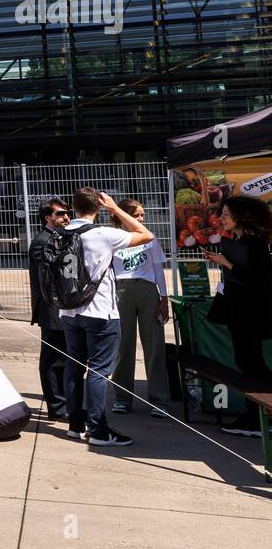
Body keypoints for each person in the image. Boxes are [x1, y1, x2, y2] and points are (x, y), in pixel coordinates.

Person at [59, 188, 154, 448]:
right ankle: (98, 428)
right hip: (100, 310)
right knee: (99, 372)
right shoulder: (103, 234)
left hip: (68, 311)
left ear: (72, 207)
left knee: (74, 368)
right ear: (99, 209)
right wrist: (116, 209)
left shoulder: (60, 234)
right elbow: (146, 234)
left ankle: (75, 424)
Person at [203, 196, 272, 437]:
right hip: (238, 312)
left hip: (252, 314)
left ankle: (259, 417)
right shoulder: (235, 241)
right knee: (246, 362)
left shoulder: (255, 244)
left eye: (226, 214)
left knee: (251, 363)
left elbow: (260, 280)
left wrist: (227, 264)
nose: (222, 218)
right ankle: (255, 415)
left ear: (241, 216)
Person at [109, 198, 171, 417]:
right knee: (123, 346)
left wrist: (164, 298)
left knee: (155, 345)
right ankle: (122, 398)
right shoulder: (114, 238)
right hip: (121, 291)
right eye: (137, 215)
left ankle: (160, 400)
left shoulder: (150, 238)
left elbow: (158, 268)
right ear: (123, 216)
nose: (141, 219)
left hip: (147, 290)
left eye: (142, 215)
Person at [28, 198, 70, 420]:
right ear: (48, 217)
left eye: (67, 213)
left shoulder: (61, 238)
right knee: (53, 359)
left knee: (65, 358)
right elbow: (49, 279)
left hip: (64, 308)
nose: (66, 217)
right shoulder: (42, 242)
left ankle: (64, 403)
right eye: (61, 214)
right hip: (52, 309)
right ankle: (57, 407)